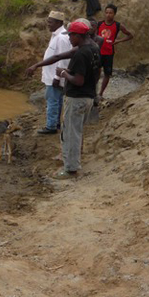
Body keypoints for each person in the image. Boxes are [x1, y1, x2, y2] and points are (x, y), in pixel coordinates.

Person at [55, 21, 100, 179]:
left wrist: (63, 73)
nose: (69, 39)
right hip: (87, 97)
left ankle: (70, 169)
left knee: (71, 134)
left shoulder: (80, 54)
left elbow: (79, 80)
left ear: (78, 36)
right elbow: (93, 73)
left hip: (77, 98)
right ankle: (71, 164)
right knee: (76, 132)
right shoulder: (94, 48)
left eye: (71, 36)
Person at [28, 11, 72, 135]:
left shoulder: (62, 38)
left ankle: (51, 126)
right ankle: (55, 123)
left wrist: (57, 77)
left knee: (52, 101)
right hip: (52, 76)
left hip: (54, 76)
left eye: (50, 22)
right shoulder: (56, 35)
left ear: (58, 22)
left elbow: (63, 60)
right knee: (56, 100)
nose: (48, 24)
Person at [96, 4, 133, 98]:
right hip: (98, 52)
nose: (108, 15)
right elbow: (94, 35)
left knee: (107, 74)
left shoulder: (118, 25)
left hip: (109, 53)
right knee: (96, 72)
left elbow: (130, 35)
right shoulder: (99, 24)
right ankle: (93, 91)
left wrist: (118, 41)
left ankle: (100, 93)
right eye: (106, 12)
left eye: (110, 13)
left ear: (114, 14)